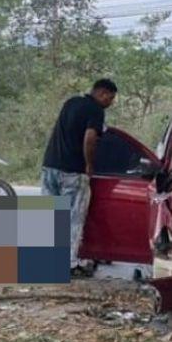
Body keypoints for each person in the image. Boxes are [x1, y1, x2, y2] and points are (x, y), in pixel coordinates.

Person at [41, 79, 117, 276]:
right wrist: (90, 164)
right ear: (103, 94)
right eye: (111, 98)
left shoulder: (71, 102)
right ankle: (68, 264)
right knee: (73, 218)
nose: (111, 102)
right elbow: (90, 138)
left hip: (50, 166)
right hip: (73, 171)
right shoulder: (96, 111)